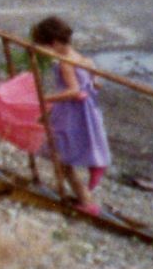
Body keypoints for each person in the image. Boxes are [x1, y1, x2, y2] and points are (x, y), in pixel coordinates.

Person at [30, 15, 111, 215]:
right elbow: (96, 84)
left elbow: (73, 90)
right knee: (70, 151)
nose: (48, 51)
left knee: (61, 157)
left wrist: (45, 98)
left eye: (47, 46)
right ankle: (95, 166)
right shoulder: (84, 59)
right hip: (86, 112)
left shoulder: (64, 62)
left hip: (69, 113)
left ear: (54, 43)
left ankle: (87, 203)